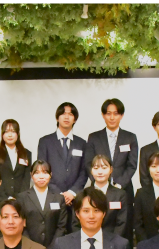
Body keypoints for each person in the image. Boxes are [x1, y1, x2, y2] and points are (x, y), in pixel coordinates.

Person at [85, 98, 139, 238]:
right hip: (98, 191)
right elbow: (88, 163)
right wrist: (99, 183)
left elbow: (132, 165)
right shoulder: (94, 137)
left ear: (121, 115)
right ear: (103, 115)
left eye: (116, 113)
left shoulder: (130, 137)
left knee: (123, 229)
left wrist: (119, 184)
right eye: (108, 113)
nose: (112, 117)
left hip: (124, 190)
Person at [36, 102, 88, 232]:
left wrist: (72, 192)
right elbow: (42, 170)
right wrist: (60, 194)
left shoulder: (81, 143)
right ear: (57, 117)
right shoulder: (45, 141)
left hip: (75, 199)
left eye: (70, 114)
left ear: (74, 119)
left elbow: (84, 171)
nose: (66, 117)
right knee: (52, 233)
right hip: (52, 196)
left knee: (74, 234)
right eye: (63, 113)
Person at [17, 160, 67, 249]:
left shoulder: (59, 198)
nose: (41, 177)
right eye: (37, 173)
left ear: (50, 175)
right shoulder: (22, 198)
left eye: (45, 173)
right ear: (31, 175)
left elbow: (62, 227)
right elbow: (20, 226)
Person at [73, 155, 128, 237]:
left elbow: (122, 223)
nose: (100, 172)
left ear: (111, 170)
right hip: (87, 239)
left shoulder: (120, 194)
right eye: (96, 168)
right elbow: (75, 223)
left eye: (104, 168)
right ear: (91, 171)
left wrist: (113, 241)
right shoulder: (83, 194)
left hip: (113, 239)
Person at [0, 119, 32, 199]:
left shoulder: (26, 153)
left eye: (13, 131)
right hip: (1, 198)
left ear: (18, 134)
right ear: (2, 134)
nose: (10, 135)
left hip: (21, 199)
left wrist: (19, 197)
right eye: (6, 132)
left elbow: (26, 179)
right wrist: (6, 198)